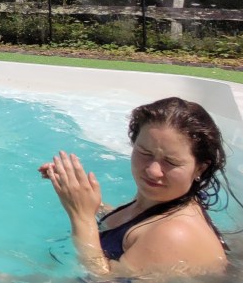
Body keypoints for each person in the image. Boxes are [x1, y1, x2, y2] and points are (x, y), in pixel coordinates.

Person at [38, 97, 236, 278]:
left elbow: (102, 280)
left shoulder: (175, 233)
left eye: (171, 162)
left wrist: (82, 217)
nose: (153, 170)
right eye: (144, 153)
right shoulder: (157, 203)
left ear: (200, 168)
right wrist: (80, 196)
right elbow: (132, 224)